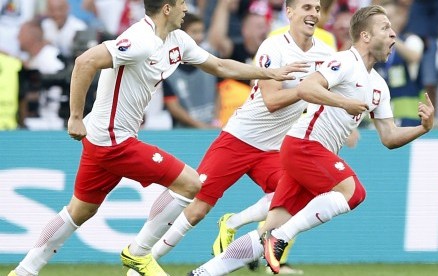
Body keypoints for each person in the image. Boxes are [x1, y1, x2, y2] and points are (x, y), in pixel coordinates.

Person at [7, 0, 306, 275]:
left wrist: (271, 74)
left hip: (105, 140)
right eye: (181, 4)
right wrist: (74, 116)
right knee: (190, 183)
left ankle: (24, 270)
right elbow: (85, 61)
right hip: (114, 141)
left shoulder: (177, 39)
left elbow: (219, 65)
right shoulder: (139, 40)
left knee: (78, 211)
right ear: (166, 8)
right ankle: (139, 252)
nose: (186, 9)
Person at [188, 5, 435, 275]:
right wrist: (344, 103)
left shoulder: (378, 86)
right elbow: (306, 87)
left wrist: (423, 128)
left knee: (266, 232)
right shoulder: (343, 61)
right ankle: (281, 238)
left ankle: (202, 272)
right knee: (354, 193)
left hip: (311, 154)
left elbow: (389, 137)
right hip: (304, 145)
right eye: (385, 28)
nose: (393, 36)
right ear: (365, 36)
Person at [146, 0, 333, 272]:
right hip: (239, 139)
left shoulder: (327, 54)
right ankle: (143, 262)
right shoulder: (273, 46)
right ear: (289, 12)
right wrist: (307, 91)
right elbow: (271, 100)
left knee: (294, 197)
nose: (313, 14)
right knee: (196, 210)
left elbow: (333, 93)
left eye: (316, 8)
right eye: (306, 7)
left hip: (272, 149)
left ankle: (232, 224)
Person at [162, 12, 219, 129]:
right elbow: (172, 105)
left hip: (211, 126)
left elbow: (219, 92)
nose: (200, 37)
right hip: (183, 133)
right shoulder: (167, 67)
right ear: (181, 35)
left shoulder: (211, 57)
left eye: (201, 31)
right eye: (194, 32)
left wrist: (215, 120)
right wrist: (200, 126)